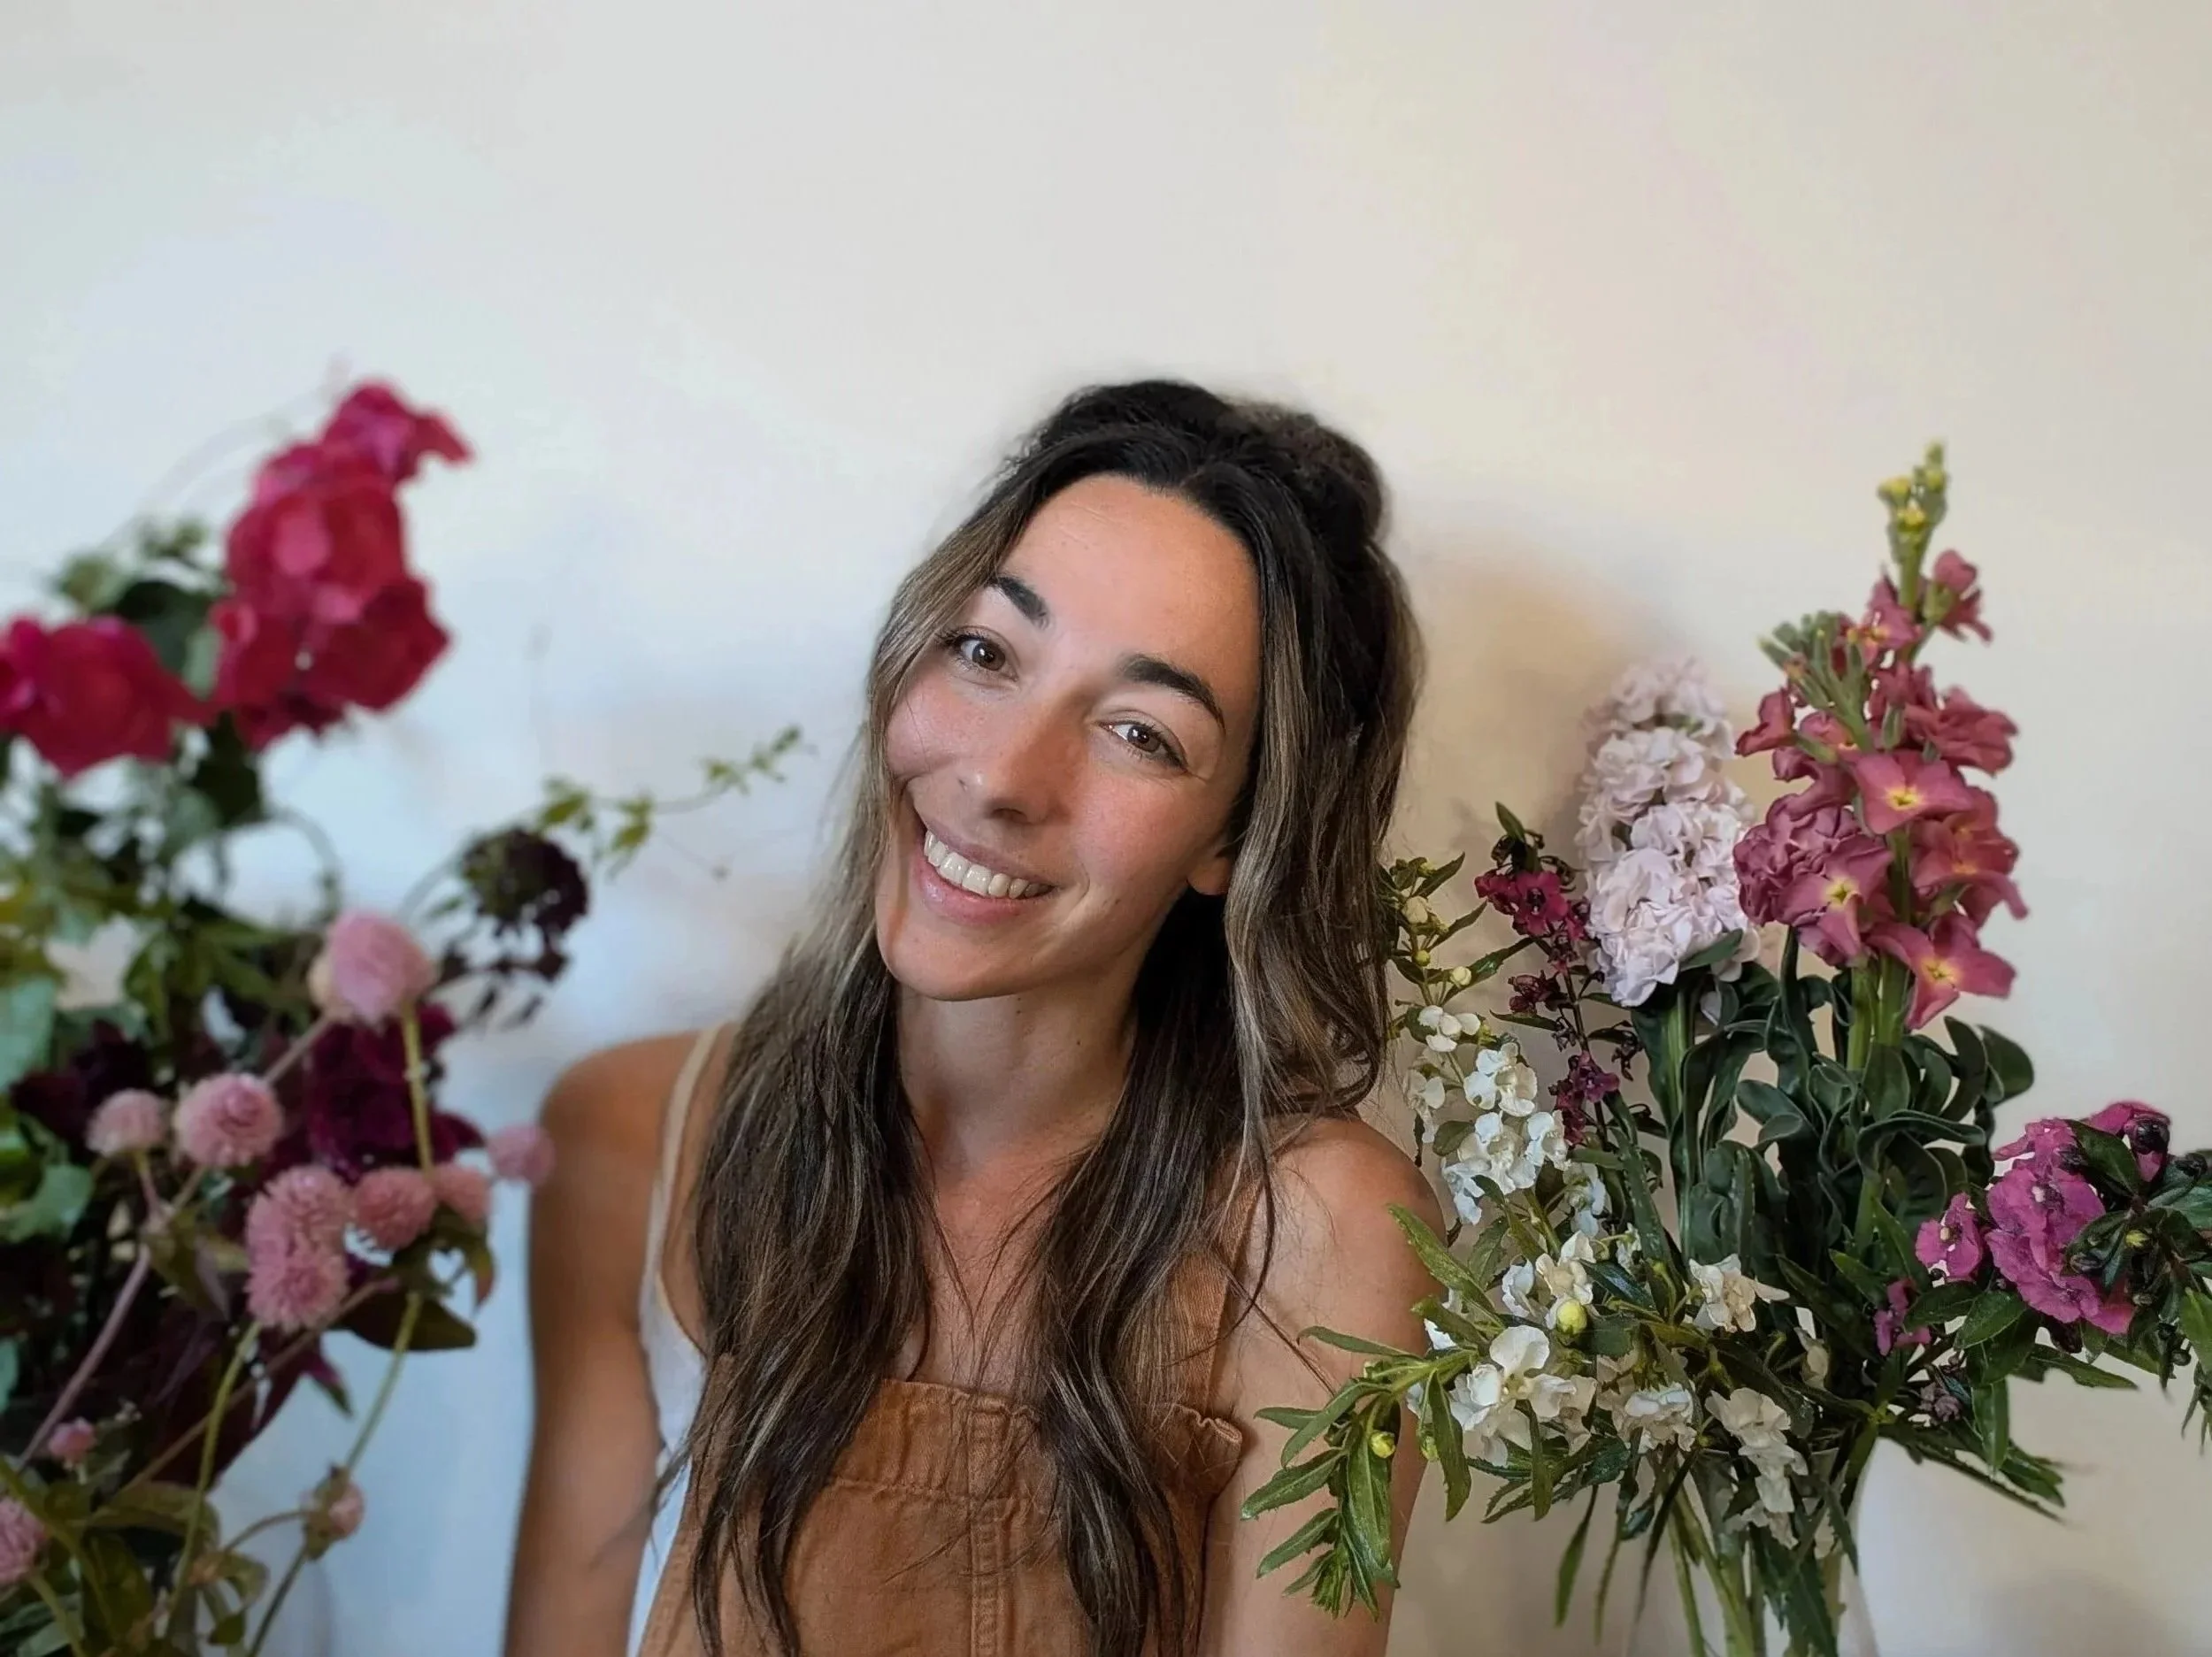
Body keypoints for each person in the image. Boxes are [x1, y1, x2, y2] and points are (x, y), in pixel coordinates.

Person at [504, 380, 1442, 1657]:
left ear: (1234, 836)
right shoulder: (630, 1137)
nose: (1002, 777)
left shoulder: (1319, 1237)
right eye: (987, 653)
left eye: (1139, 733)